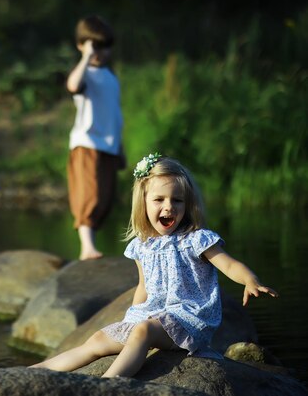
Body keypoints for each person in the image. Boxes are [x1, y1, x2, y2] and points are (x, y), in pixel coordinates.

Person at [31, 153, 278, 377]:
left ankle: (107, 385)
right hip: (153, 316)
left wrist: (249, 280)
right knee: (97, 339)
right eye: (159, 199)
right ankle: (34, 371)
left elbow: (230, 265)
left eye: (177, 201)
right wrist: (129, 321)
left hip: (188, 319)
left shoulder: (196, 239)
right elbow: (144, 288)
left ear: (187, 204)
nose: (169, 206)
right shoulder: (142, 246)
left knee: (143, 332)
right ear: (144, 203)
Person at [65, 15, 125, 260]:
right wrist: (86, 57)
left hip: (109, 145)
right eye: (95, 46)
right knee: (89, 194)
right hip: (87, 143)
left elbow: (115, 115)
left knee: (105, 198)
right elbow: (72, 85)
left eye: (104, 47)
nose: (100, 53)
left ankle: (91, 243)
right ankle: (86, 247)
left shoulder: (111, 77)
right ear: (82, 45)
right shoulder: (85, 73)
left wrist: (120, 147)